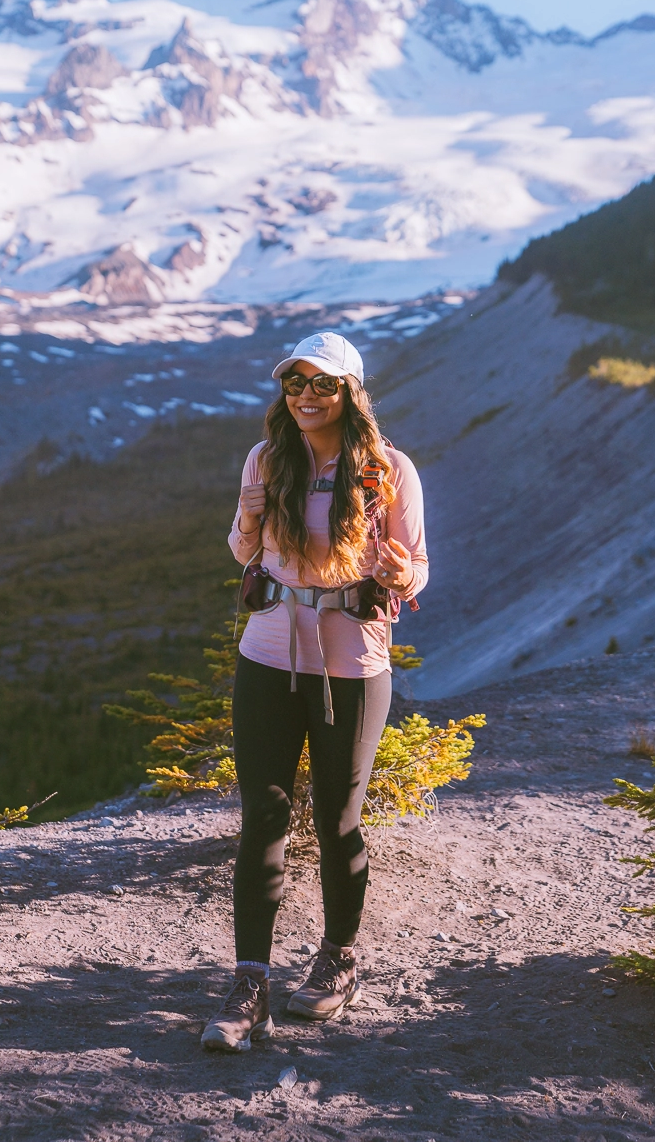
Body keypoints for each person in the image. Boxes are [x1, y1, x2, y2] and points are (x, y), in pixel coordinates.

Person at [201, 331, 428, 1053]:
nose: (305, 394)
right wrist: (248, 510)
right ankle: (250, 982)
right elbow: (243, 552)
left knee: (336, 820)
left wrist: (397, 575)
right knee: (262, 817)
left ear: (350, 392)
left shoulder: (389, 470)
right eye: (295, 381)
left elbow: (417, 568)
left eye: (321, 383)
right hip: (266, 651)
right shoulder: (267, 459)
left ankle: (339, 957)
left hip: (353, 662)